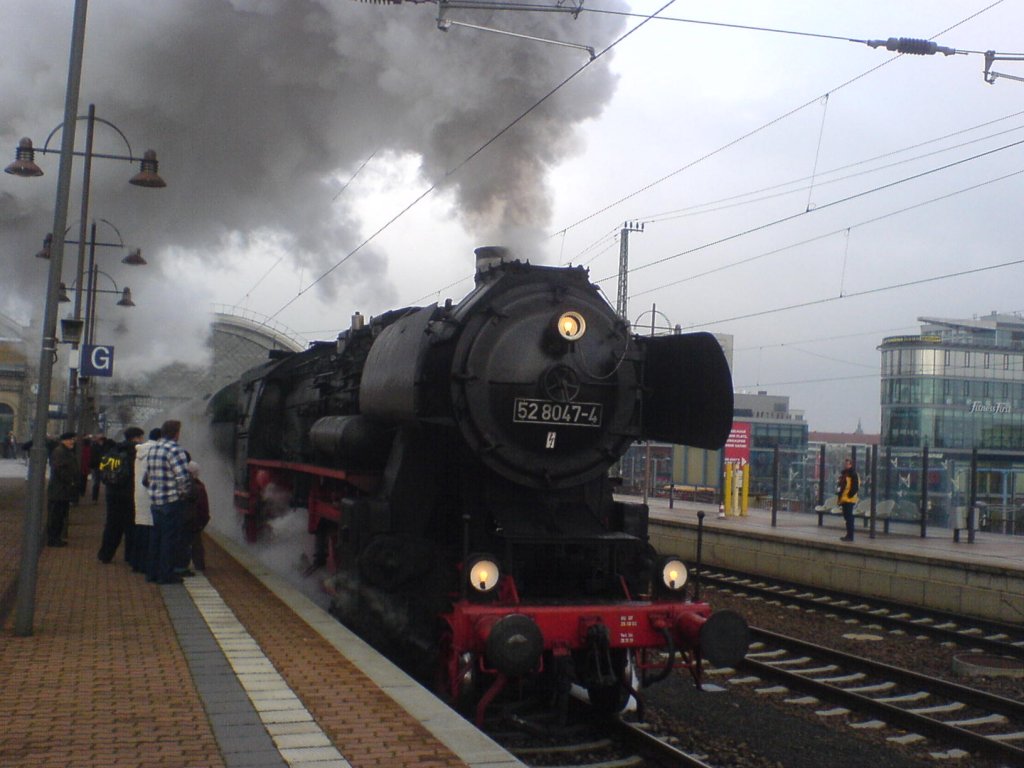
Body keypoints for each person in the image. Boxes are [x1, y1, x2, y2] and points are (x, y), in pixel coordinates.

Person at [145, 420, 191, 584]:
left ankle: (152, 573)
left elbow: (147, 476)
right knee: (169, 540)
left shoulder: (153, 448)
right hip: (171, 501)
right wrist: (183, 494)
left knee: (155, 539)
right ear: (176, 433)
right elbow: (183, 477)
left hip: (155, 501)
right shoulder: (175, 450)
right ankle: (166, 574)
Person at [97, 427, 145, 564]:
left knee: (112, 524)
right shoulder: (136, 452)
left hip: (112, 493)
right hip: (129, 493)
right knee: (131, 526)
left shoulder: (114, 450)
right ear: (137, 437)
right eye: (141, 437)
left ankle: (105, 555)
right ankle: (130, 556)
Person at [131, 427, 161, 574]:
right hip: (150, 496)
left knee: (140, 531)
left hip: (139, 495)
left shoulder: (140, 452)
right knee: (150, 534)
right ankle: (147, 564)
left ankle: (136, 563)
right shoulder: (155, 452)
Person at [46, 431, 79, 547]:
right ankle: (53, 539)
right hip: (59, 490)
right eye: (70, 440)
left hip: (62, 490)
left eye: (73, 440)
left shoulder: (65, 451)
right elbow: (59, 469)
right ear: (64, 441)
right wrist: (70, 480)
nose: (72, 442)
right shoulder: (60, 452)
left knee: (60, 515)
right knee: (56, 515)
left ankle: (56, 538)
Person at [181, 460, 210, 573]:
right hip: (194, 520)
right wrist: (203, 521)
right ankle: (198, 565)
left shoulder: (183, 486)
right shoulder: (199, 488)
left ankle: (183, 564)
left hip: (185, 519)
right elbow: (204, 509)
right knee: (196, 543)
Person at [837, 457, 860, 542]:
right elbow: (841, 485)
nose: (846, 465)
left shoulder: (853, 474)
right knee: (846, 517)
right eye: (845, 463)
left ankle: (850, 536)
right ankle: (848, 535)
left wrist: (850, 495)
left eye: (847, 464)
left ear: (851, 464)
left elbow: (855, 486)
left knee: (849, 517)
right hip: (844, 499)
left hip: (849, 499)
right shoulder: (844, 474)